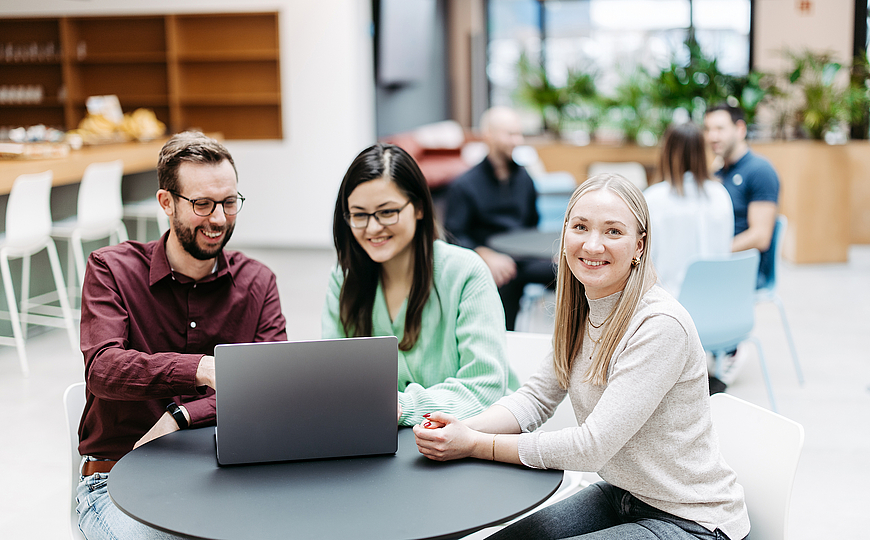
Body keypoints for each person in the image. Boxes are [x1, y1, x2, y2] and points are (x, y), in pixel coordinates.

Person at [414, 174, 750, 540]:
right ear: (564, 236)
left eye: (613, 232)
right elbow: (534, 399)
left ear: (639, 246)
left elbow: (591, 447)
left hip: (691, 520)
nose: (592, 245)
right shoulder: (580, 311)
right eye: (580, 227)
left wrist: (477, 445)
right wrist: (464, 428)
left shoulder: (659, 325)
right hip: (625, 494)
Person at [76, 132, 287, 540]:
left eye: (228, 202)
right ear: (166, 203)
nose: (219, 219)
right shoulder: (111, 270)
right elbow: (102, 370)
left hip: (225, 471)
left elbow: (269, 388)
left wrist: (183, 414)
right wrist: (202, 370)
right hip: (117, 477)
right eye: (203, 204)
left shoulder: (258, 282)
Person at [322, 142, 515, 427]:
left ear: (420, 208)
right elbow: (332, 379)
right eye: (359, 215)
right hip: (385, 444)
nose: (373, 228)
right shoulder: (344, 277)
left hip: (471, 440)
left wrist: (401, 405)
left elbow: (484, 385)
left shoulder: (465, 272)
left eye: (387, 212)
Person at [444, 106, 555, 330]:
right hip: (489, 258)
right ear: (489, 135)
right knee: (503, 276)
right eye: (510, 134)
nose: (517, 140)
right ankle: (504, 343)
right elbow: (454, 234)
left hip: (524, 257)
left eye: (519, 133)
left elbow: (533, 223)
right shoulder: (464, 185)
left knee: (570, 272)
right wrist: (485, 255)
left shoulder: (525, 178)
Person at [644, 122, 734, 297]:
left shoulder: (653, 198)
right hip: (719, 300)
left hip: (670, 304)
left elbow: (645, 262)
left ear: (666, 152)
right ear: (703, 152)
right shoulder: (720, 194)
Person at [704, 103, 779, 289]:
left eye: (720, 129)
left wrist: (713, 252)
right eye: (708, 129)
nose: (713, 136)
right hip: (719, 263)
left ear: (740, 129)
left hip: (744, 269)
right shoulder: (719, 171)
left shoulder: (760, 170)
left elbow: (760, 236)